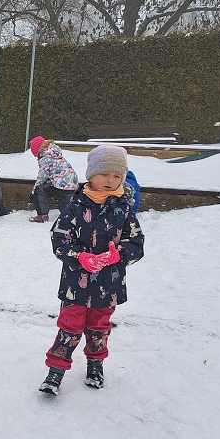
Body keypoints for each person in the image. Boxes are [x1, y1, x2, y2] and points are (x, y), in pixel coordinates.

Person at [38, 145, 144, 396]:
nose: (110, 180)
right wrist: (80, 257)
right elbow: (59, 239)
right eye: (104, 174)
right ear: (91, 175)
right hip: (76, 284)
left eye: (116, 176)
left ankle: (95, 366)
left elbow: (136, 243)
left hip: (109, 284)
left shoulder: (124, 209)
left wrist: (119, 255)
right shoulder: (75, 207)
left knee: (99, 327)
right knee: (69, 326)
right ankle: (56, 371)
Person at [28, 136, 78, 223]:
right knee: (61, 194)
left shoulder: (45, 159)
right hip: (72, 185)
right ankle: (68, 214)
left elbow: (42, 177)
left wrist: (33, 192)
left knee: (39, 189)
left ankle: (42, 215)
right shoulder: (56, 155)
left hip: (61, 185)